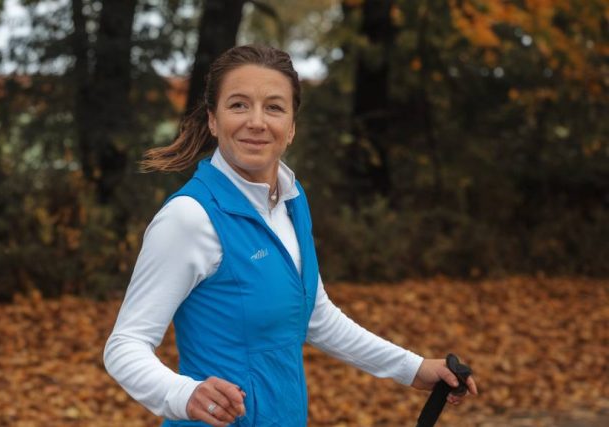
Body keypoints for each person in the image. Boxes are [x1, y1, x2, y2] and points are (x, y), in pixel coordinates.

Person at [103, 45, 477, 427]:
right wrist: (185, 394)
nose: (256, 122)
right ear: (213, 120)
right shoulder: (189, 217)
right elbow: (125, 346)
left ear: (292, 126)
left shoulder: (291, 202)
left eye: (274, 107)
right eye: (238, 105)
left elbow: (316, 315)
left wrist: (413, 369)